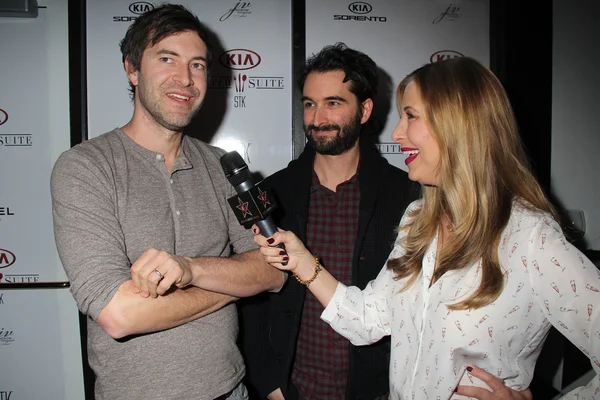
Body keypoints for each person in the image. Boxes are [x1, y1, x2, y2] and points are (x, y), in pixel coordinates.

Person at [252, 56, 600, 399]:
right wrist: (301, 262)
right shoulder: (418, 219)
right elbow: (367, 319)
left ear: (458, 124)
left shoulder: (530, 238)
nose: (397, 133)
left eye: (411, 116)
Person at [50, 4, 284, 400]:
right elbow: (120, 315)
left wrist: (189, 270)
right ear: (132, 69)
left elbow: (274, 271)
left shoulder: (220, 165)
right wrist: (234, 283)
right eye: (166, 59)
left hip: (232, 392)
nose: (185, 79)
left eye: (197, 65)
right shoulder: (85, 167)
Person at [240, 43, 418, 400]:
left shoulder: (407, 197)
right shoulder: (272, 192)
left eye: (333, 103)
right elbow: (253, 297)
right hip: (291, 391)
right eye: (309, 103)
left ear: (364, 109)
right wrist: (270, 384)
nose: (317, 118)